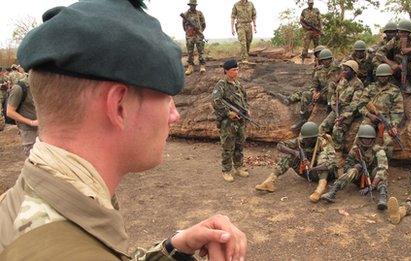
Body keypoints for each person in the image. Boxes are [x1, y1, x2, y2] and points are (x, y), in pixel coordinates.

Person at [0, 1, 247, 260]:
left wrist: (175, 249)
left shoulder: (22, 202)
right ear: (118, 106)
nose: (175, 115)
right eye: (167, 98)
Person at [255, 122, 337, 203]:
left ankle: (319, 190)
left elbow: (329, 164)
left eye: (309, 139)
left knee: (322, 161)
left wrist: (313, 168)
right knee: (289, 157)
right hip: (308, 172)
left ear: (315, 137)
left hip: (324, 174)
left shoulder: (324, 143)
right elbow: (280, 145)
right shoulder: (301, 140)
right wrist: (295, 152)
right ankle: (269, 182)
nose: (306, 141)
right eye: (305, 138)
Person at [321, 125, 390, 210]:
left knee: (381, 174)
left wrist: (371, 186)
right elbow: (346, 167)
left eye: (369, 139)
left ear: (373, 139)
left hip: (373, 178)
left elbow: (383, 169)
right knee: (353, 170)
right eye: (364, 139)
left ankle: (382, 198)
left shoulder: (379, 151)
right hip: (359, 178)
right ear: (360, 139)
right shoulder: (355, 150)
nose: (366, 141)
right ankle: (333, 191)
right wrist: (355, 168)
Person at [212, 59, 250, 182]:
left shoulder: (238, 84)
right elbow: (215, 101)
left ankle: (238, 166)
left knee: (239, 144)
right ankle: (226, 170)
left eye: (237, 69)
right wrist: (228, 113)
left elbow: (244, 98)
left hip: (240, 120)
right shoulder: (221, 85)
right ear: (226, 71)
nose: (236, 72)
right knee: (228, 146)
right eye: (234, 70)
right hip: (228, 123)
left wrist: (246, 110)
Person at [319, 60, 364, 160]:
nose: (343, 71)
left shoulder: (358, 84)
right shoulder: (343, 81)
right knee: (322, 127)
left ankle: (338, 153)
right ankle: (323, 149)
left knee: (337, 128)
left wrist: (344, 116)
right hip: (337, 109)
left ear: (353, 71)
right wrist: (334, 106)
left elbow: (355, 104)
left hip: (348, 112)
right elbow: (335, 95)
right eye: (343, 69)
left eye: (346, 70)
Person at [358, 63, 404, 157]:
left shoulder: (394, 90)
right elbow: (361, 104)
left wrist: (394, 124)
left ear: (389, 76)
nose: (383, 78)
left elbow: (398, 109)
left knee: (389, 141)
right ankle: (357, 156)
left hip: (385, 119)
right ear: (377, 76)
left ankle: (382, 161)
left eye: (385, 76)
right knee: (362, 133)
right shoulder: (370, 88)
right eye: (380, 76)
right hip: (370, 118)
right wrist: (369, 115)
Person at [291, 49, 341, 131]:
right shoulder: (318, 71)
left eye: (328, 59)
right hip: (322, 94)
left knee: (331, 87)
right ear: (321, 60)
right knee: (305, 94)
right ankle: (303, 118)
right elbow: (314, 85)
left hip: (334, 95)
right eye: (324, 60)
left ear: (331, 59)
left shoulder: (338, 69)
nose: (326, 61)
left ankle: (329, 111)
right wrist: (314, 92)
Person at [374, 19, 411, 94]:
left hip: (410, 66)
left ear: (410, 33)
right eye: (400, 32)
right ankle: (394, 81)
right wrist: (391, 64)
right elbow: (379, 52)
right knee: (377, 60)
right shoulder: (395, 40)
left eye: (405, 32)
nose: (402, 34)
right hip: (397, 66)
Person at [6, 78, 38, 156]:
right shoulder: (19, 88)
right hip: (29, 131)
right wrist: (31, 122)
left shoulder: (40, 85)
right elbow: (10, 112)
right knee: (33, 158)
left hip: (42, 129)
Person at [182, 0, 206, 75]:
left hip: (198, 35)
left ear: (196, 5)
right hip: (190, 35)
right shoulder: (186, 14)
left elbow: (203, 24)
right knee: (190, 51)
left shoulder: (199, 13)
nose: (193, 6)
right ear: (189, 5)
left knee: (200, 50)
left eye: (194, 5)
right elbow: (183, 25)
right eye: (192, 5)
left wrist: (199, 31)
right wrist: (188, 32)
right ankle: (190, 66)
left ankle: (202, 65)